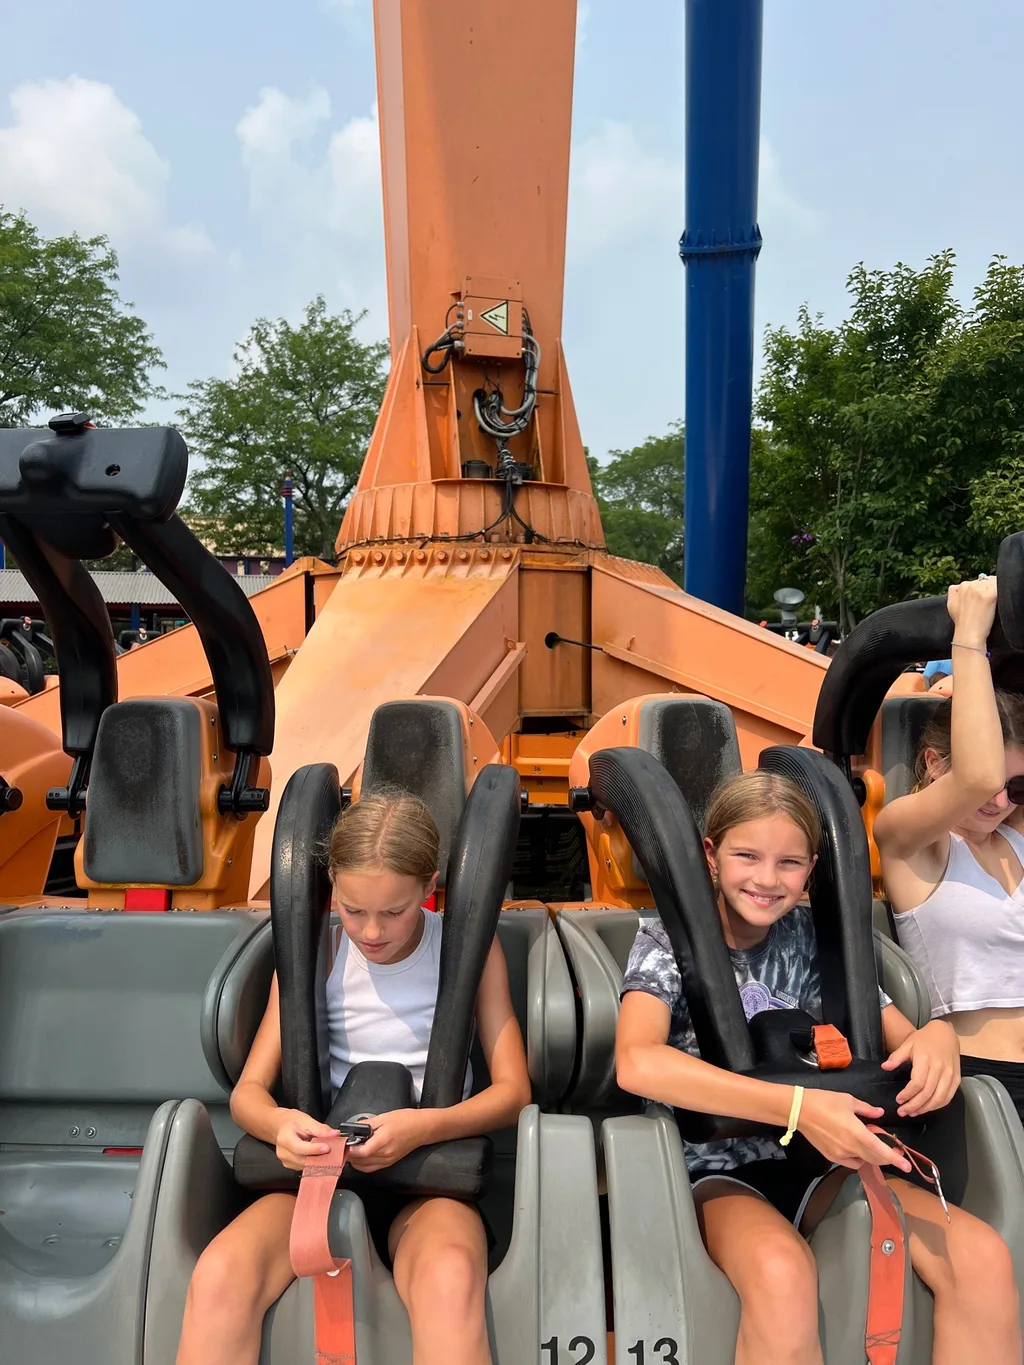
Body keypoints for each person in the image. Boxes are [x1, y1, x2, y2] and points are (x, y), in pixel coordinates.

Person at [617, 769, 1020, 1365]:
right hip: (716, 1172)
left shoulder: (816, 939)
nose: (766, 879)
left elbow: (900, 1035)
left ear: (811, 869)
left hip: (822, 1162)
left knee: (980, 1256)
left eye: (789, 863)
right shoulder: (663, 943)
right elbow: (636, 1061)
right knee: (781, 1273)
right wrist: (799, 1108)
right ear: (710, 852)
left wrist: (937, 1035)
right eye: (747, 856)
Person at [176, 790, 531, 1365]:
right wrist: (281, 1125)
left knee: (449, 1279)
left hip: (428, 1175)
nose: (370, 930)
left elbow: (514, 1093)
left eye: (393, 912)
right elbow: (247, 1095)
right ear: (332, 886)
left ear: (428, 886)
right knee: (220, 1277)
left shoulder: (467, 949)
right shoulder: (313, 952)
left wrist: (421, 1128)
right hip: (317, 1176)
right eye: (351, 907)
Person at [877, 575, 1024, 1124]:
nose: (1000, 799)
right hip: (986, 1087)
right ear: (936, 765)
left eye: (1019, 788)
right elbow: (980, 772)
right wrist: (970, 636)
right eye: (988, 786)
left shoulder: (1014, 837)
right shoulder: (912, 842)